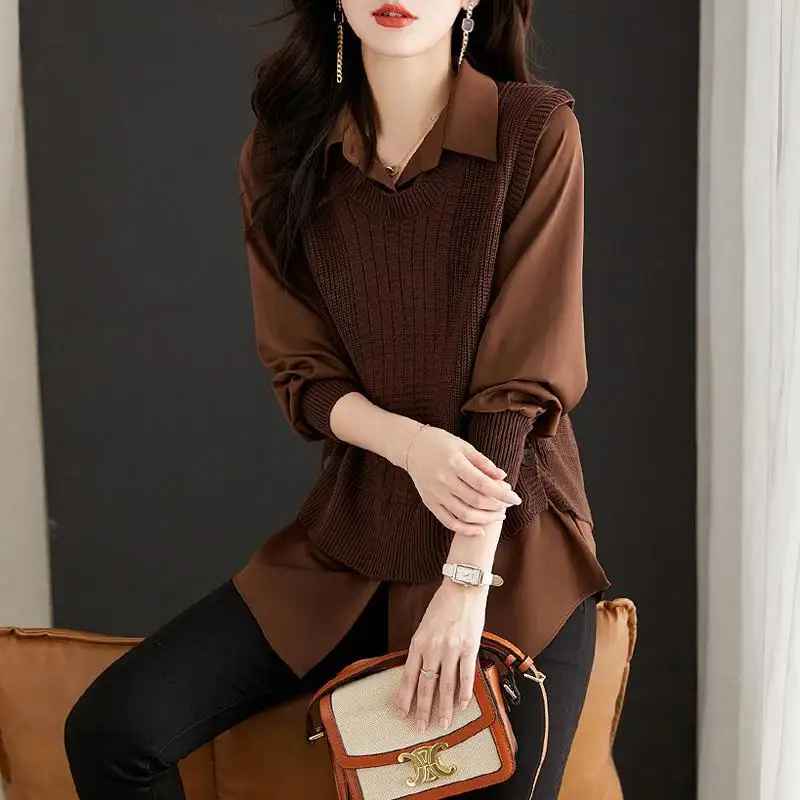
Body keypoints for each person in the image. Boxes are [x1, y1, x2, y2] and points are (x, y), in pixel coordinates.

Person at [63, 1, 610, 798]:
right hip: (357, 537)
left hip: (511, 550)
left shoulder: (534, 130)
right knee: (114, 731)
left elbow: (519, 379)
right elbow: (304, 372)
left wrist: (465, 584)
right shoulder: (281, 153)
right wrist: (411, 446)